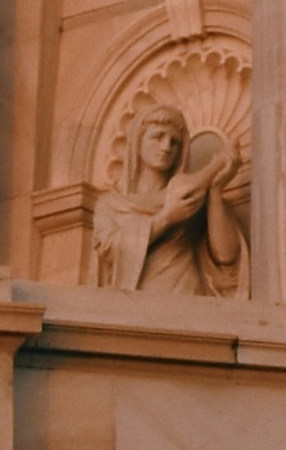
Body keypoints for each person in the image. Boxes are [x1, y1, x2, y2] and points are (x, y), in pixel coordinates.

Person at [91, 88, 247, 298]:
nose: (166, 147)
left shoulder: (191, 195)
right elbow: (110, 251)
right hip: (135, 303)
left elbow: (227, 256)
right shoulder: (111, 203)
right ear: (138, 142)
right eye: (158, 137)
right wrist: (166, 218)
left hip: (186, 296)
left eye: (174, 142)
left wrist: (216, 192)